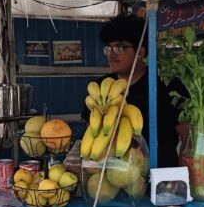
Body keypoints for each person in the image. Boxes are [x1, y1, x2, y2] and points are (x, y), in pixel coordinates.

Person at [81, 14, 188, 168]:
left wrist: (178, 179)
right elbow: (91, 135)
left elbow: (187, 137)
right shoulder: (99, 88)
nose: (111, 54)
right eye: (108, 48)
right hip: (112, 180)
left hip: (160, 182)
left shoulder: (168, 86)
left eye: (119, 47)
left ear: (141, 52)